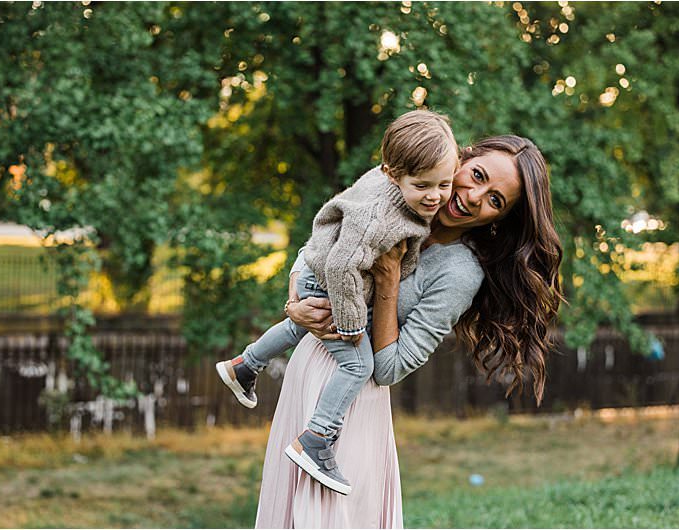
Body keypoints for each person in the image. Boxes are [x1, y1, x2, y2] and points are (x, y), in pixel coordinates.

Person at [253, 134, 563, 527]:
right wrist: (295, 304)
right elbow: (320, 241)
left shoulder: (460, 273)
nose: (473, 197)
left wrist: (389, 279)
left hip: (353, 400)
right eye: (477, 176)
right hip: (307, 372)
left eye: (494, 200)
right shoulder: (400, 192)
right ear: (463, 159)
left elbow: (389, 369)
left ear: (498, 220)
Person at [216, 109, 458, 494]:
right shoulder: (379, 215)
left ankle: (245, 365)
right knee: (359, 365)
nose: (436, 196)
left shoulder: (397, 193)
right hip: (332, 280)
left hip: (324, 274)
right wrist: (349, 323)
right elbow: (344, 262)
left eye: (445, 184)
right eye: (423, 185)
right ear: (392, 174)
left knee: (299, 324)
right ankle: (317, 439)